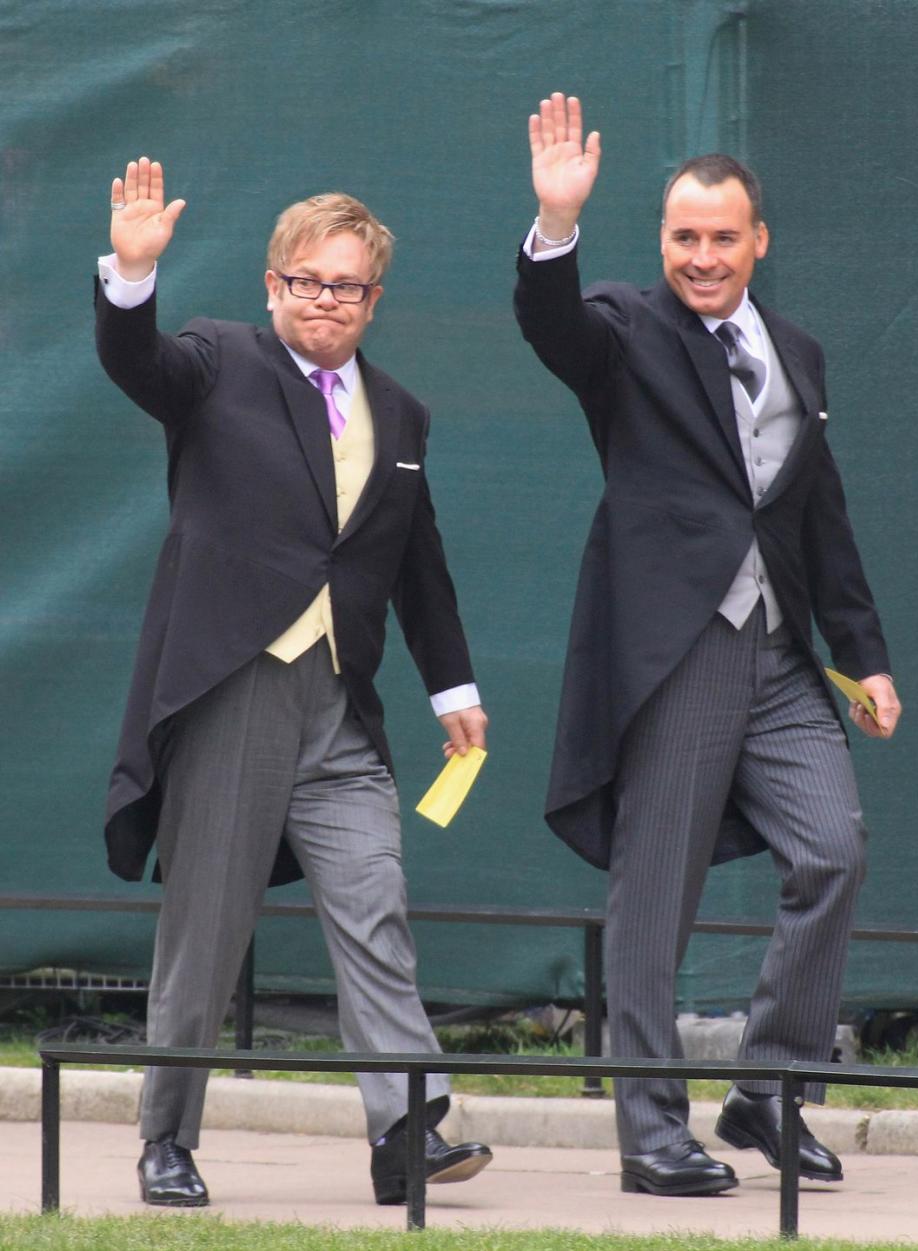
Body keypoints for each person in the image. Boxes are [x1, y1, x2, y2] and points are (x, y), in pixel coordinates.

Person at [514, 95, 901, 1198]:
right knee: (657, 899)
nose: (702, 256)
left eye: (723, 237)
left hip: (781, 660)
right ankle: (650, 1133)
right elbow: (554, 327)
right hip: (675, 656)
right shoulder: (627, 330)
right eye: (684, 237)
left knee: (834, 849)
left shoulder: (800, 354)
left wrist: (865, 656)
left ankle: (769, 1092)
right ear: (663, 243)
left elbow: (819, 519)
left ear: (757, 241)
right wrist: (554, 224)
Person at [96, 157, 492, 1208]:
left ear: (374, 300)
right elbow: (137, 366)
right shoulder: (218, 360)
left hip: (341, 713)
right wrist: (131, 278)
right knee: (207, 930)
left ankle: (407, 1129)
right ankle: (167, 1142)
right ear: (273, 285)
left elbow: (420, 568)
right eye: (308, 282)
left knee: (376, 907)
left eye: (348, 286)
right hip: (233, 694)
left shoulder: (401, 415)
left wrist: (453, 692)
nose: (327, 301)